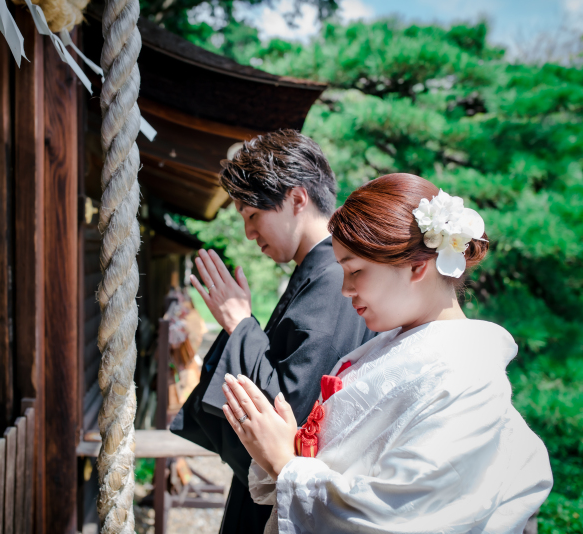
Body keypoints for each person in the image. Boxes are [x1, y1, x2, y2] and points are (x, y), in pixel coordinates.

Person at [220, 173, 553, 534]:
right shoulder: (387, 346)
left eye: (355, 271)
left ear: (416, 267)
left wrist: (287, 464)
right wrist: (291, 444)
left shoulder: (467, 376)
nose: (346, 290)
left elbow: (402, 515)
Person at [170, 130, 375, 534]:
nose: (249, 233)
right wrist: (240, 326)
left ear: (297, 199)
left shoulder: (335, 278)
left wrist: (241, 325)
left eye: (252, 215)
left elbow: (291, 413)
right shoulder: (320, 270)